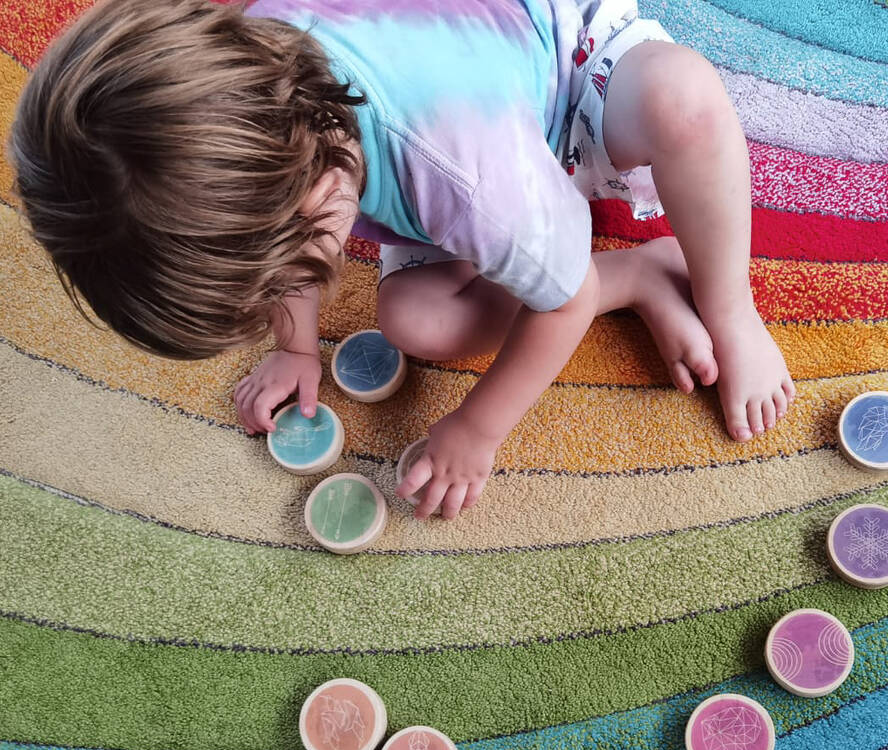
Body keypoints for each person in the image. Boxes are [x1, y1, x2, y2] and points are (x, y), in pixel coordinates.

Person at [9, 0, 795, 521]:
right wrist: (294, 343)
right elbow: (286, 243)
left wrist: (477, 430)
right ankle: (642, 276)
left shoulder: (465, 175)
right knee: (413, 319)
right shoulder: (251, 81)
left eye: (289, 273)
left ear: (315, 189)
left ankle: (725, 301)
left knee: (681, 103)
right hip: (419, 134)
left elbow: (559, 302)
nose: (292, 288)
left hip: (564, 62)